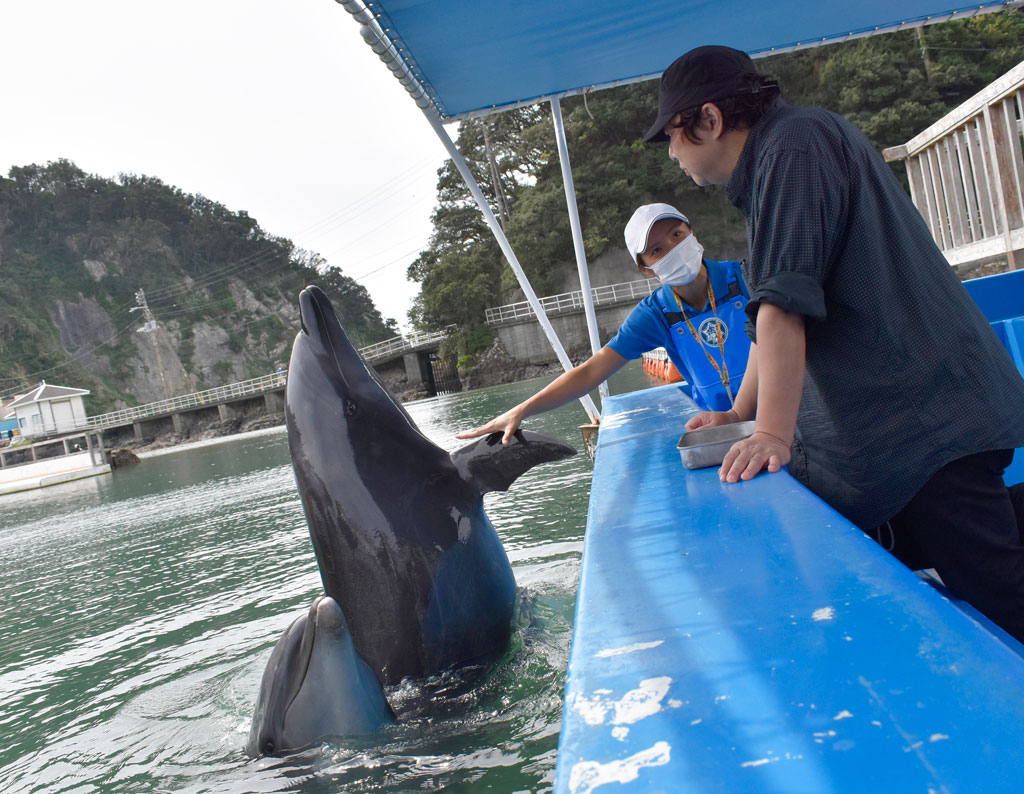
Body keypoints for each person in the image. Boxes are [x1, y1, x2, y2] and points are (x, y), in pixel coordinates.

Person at [645, 45, 1024, 639]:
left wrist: (768, 434)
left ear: (710, 120)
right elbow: (764, 319)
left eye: (673, 134)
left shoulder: (793, 149)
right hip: (920, 421)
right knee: (967, 544)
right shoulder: (786, 149)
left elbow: (783, 308)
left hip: (924, 426)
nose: (671, 152)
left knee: (1001, 596)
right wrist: (738, 415)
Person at [456, 202, 752, 444]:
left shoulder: (746, 277)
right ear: (646, 269)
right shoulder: (656, 313)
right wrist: (522, 410)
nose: (673, 249)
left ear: (692, 233)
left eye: (677, 235)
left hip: (784, 405)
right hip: (724, 429)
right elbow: (590, 372)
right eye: (657, 250)